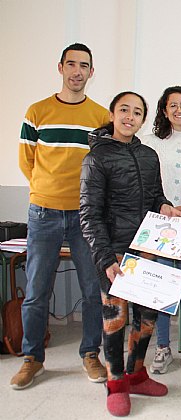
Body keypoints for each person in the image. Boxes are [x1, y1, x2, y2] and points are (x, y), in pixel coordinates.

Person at [79, 91, 181, 417]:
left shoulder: (149, 155)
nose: (130, 116)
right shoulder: (95, 159)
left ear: (142, 119)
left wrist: (168, 208)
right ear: (112, 114)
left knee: (148, 318)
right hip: (112, 253)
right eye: (124, 109)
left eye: (137, 112)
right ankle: (116, 384)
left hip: (148, 249)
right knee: (116, 320)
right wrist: (105, 259)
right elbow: (89, 214)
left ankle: (137, 374)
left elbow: (156, 197)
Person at [12, 43, 109, 390]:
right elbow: (28, 162)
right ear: (61, 68)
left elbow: (103, 168)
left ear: (91, 73)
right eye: (71, 64)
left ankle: (90, 354)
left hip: (86, 216)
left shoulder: (101, 118)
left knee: (92, 289)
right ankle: (32, 359)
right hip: (44, 213)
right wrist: (47, 189)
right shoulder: (37, 111)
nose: (77, 71)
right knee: (37, 290)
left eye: (84, 65)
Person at [143, 86, 181, 376]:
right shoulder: (149, 143)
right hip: (161, 225)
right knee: (162, 289)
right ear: (164, 111)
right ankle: (163, 347)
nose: (179, 110)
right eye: (172, 105)